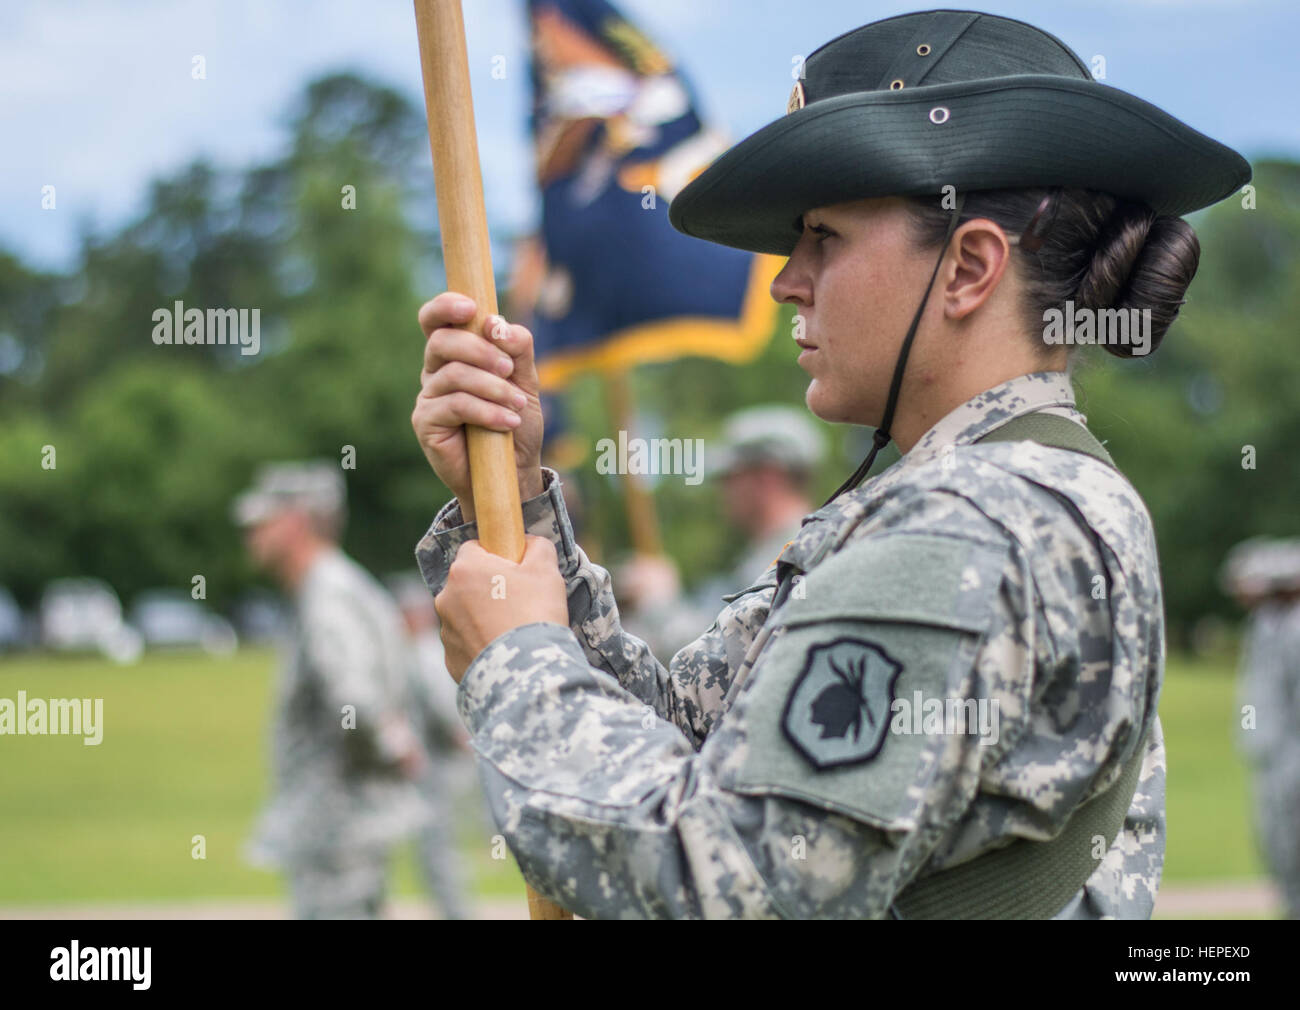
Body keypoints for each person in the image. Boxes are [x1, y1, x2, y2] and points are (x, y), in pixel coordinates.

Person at [409, 9, 1250, 918]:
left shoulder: (971, 523)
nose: (784, 281)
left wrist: (517, 661)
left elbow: (731, 885)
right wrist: (520, 500)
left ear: (968, 268)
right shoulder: (998, 493)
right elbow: (687, 745)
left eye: (825, 238)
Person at [235, 461, 426, 919]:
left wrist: (390, 747)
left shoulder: (326, 595)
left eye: (262, 522)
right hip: (345, 821)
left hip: (336, 825)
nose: (251, 536)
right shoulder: (336, 586)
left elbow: (355, 701)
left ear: (297, 522)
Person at [618, 406, 826, 658]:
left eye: (730, 477)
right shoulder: (783, 549)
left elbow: (729, 660)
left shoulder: (794, 555)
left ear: (766, 478)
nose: (722, 491)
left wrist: (659, 602)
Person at [388, 573, 475, 920]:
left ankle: (456, 914)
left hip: (438, 768)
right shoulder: (425, 649)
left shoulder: (423, 652)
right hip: (439, 766)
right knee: (436, 851)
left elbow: (444, 711)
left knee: (438, 851)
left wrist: (460, 740)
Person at [1223, 538, 1300, 919]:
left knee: (1291, 841)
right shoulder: (1265, 624)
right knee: (1277, 843)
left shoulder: (1294, 627)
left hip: (1292, 757)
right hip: (1271, 756)